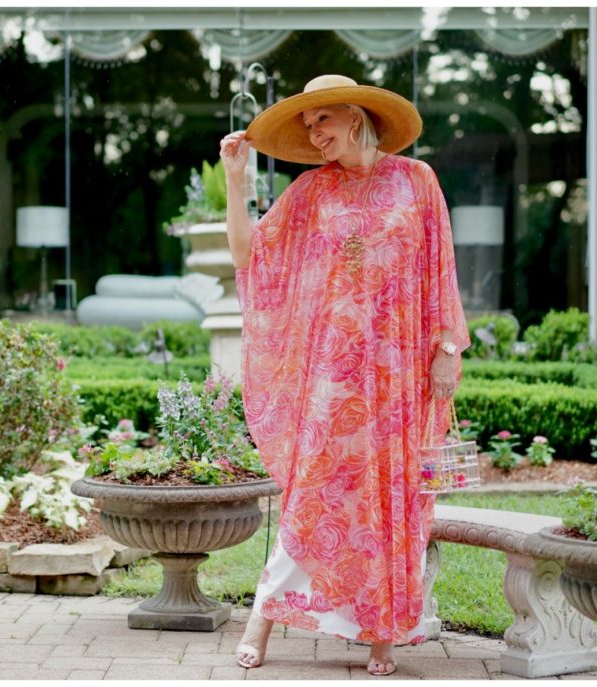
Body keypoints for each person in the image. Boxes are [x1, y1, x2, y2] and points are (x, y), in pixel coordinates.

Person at [219, 74, 469, 677]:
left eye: (321, 121)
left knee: (393, 493)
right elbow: (248, 257)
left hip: (401, 372)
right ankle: (264, 617)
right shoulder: (311, 191)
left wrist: (448, 347)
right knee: (313, 489)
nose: (314, 134)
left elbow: (441, 266)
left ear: (354, 116)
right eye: (308, 126)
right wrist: (235, 180)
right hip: (334, 373)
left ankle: (382, 634)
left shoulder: (417, 181)